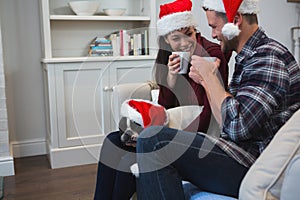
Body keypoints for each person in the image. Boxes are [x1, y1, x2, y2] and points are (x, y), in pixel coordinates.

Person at [135, 0, 300, 199]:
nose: (212, 34)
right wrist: (205, 81)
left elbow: (238, 128)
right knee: (139, 140)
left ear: (236, 20)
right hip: (234, 151)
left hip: (250, 163)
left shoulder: (268, 57)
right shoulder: (248, 58)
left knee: (153, 140)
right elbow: (225, 121)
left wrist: (210, 77)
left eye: (214, 26)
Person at [93, 0, 229, 199]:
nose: (184, 43)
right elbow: (164, 111)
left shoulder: (211, 54)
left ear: (194, 30)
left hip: (196, 133)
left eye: (189, 34)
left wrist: (158, 137)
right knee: (113, 140)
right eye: (176, 37)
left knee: (126, 161)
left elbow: (208, 113)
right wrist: (171, 81)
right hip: (172, 127)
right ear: (166, 39)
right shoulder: (169, 56)